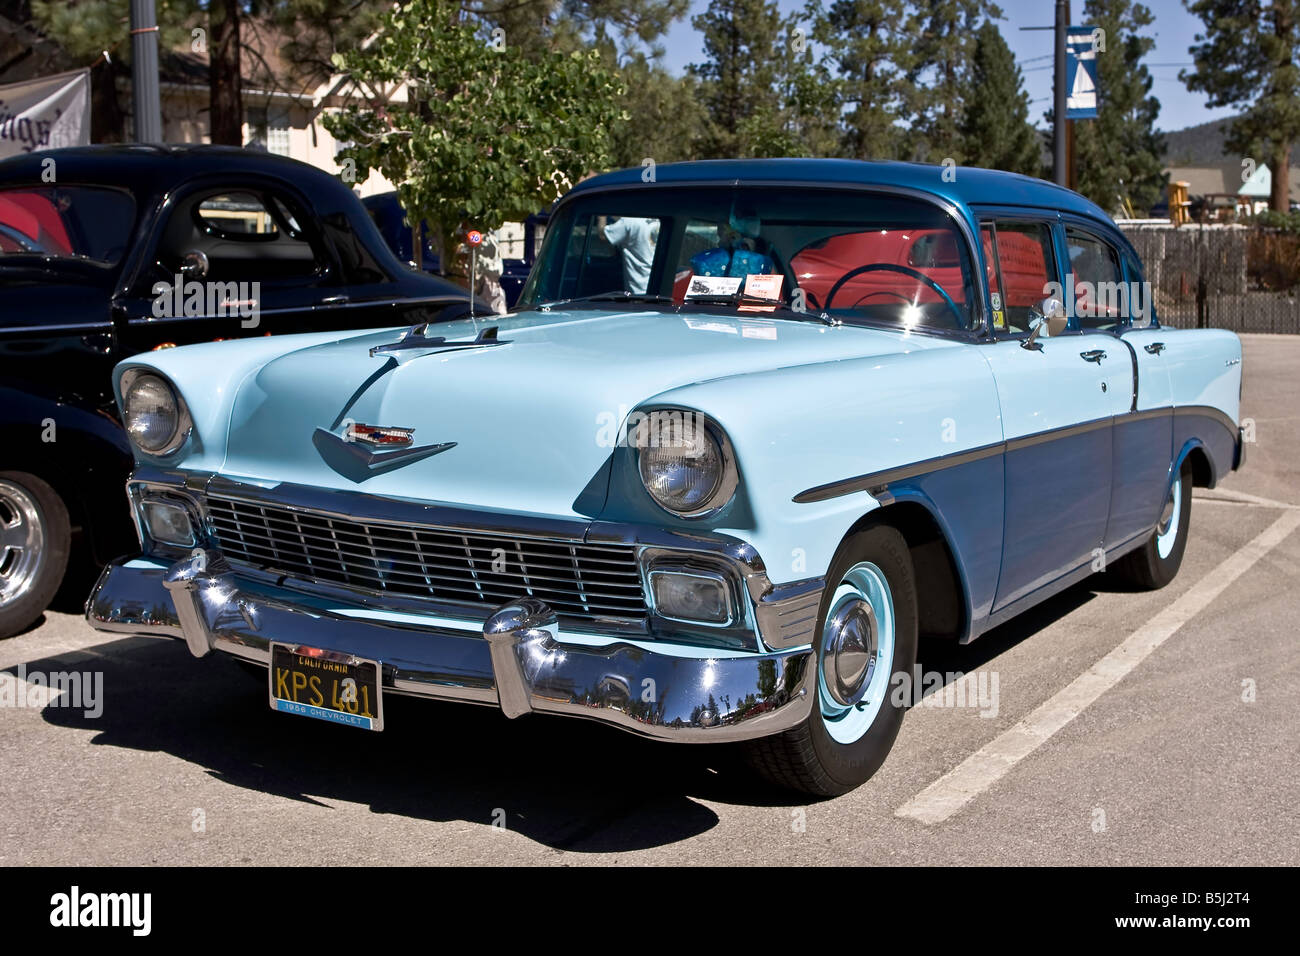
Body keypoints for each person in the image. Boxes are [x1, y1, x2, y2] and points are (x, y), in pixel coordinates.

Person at [601, 216, 659, 294]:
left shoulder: (629, 221)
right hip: (657, 287)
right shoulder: (658, 220)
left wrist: (601, 218)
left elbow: (603, 236)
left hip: (638, 291)